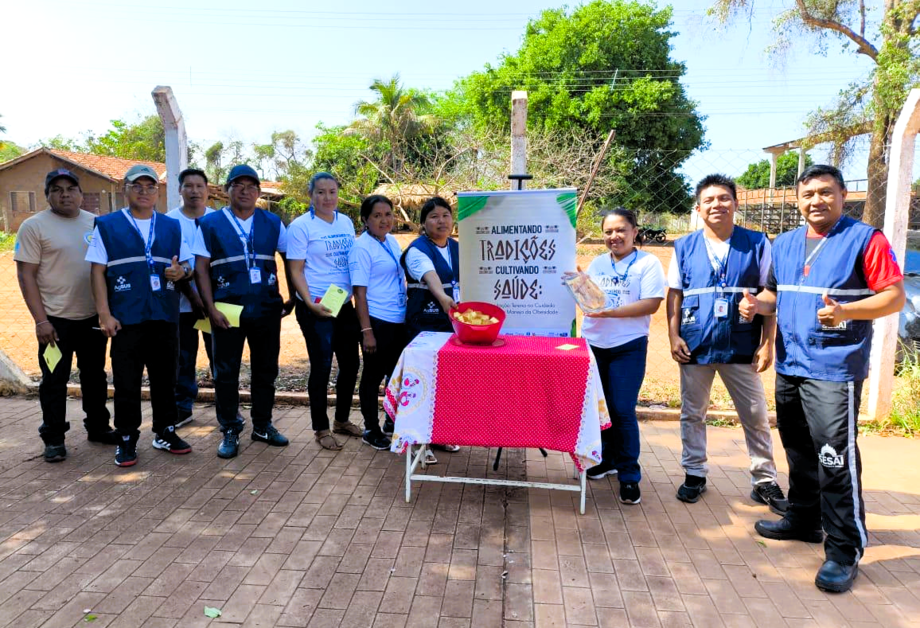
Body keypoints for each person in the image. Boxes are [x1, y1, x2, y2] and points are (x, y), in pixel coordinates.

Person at [740, 164, 905, 593]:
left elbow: (894, 296)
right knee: (797, 448)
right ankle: (803, 518)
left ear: (843, 194)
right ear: (798, 199)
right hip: (792, 365)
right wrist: (757, 306)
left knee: (835, 458)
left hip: (834, 367)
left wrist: (847, 311)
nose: (817, 200)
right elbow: (776, 294)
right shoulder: (787, 243)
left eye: (825, 192)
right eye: (808, 193)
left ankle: (844, 548)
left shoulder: (864, 239)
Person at [667, 174, 787, 514]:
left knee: (755, 414)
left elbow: (770, 294)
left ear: (735, 203)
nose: (716, 205)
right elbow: (675, 294)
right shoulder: (684, 246)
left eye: (723, 198)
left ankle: (763, 480)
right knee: (692, 413)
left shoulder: (758, 243)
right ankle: (694, 473)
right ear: (698, 207)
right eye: (709, 200)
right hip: (697, 342)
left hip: (741, 341)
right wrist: (674, 335)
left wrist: (768, 343)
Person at [86, 164, 193, 467]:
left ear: (157, 191)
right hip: (125, 318)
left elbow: (187, 267)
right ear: (126, 189)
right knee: (127, 382)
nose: (144, 192)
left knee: (165, 379)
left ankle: (165, 431)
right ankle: (127, 438)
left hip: (163, 315)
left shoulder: (172, 226)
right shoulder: (106, 225)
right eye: (138, 186)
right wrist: (104, 314)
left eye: (150, 187)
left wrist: (180, 271)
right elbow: (96, 272)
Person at [15, 169, 119, 462]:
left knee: (95, 377)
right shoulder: (33, 227)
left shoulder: (96, 223)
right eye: (57, 189)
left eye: (70, 189)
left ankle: (98, 427)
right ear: (47, 194)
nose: (64, 194)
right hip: (55, 323)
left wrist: (105, 312)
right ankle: (54, 438)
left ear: (80, 192)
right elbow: (26, 276)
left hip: (91, 319)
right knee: (54, 381)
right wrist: (41, 321)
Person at [194, 164, 294, 459]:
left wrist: (291, 296)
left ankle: (262, 425)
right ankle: (229, 428)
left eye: (252, 186)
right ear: (226, 190)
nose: (246, 191)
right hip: (227, 310)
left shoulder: (273, 222)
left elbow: (290, 259)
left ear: (259, 193)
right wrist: (209, 307)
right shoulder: (210, 224)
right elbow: (200, 268)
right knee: (226, 373)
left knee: (266, 370)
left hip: (265, 307)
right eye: (238, 185)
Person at [581, 208, 665, 505]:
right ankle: (606, 459)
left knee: (622, 408)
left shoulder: (648, 262)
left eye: (620, 230)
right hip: (593, 344)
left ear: (634, 231)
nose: (614, 237)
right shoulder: (597, 262)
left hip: (627, 345)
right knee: (598, 408)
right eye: (608, 232)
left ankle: (629, 475)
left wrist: (611, 313)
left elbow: (652, 304)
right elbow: (590, 300)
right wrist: (579, 283)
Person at [287, 172, 363, 451]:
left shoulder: (344, 221)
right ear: (311, 195)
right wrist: (308, 302)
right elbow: (295, 269)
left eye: (332, 191)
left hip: (342, 304)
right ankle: (321, 427)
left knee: (351, 364)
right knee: (321, 366)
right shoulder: (300, 227)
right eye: (321, 192)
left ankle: (342, 420)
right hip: (315, 305)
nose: (327, 197)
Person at [399, 196, 461, 461]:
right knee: (421, 382)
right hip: (424, 325)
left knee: (445, 382)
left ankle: (439, 435)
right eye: (434, 216)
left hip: (452, 325)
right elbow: (430, 275)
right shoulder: (417, 250)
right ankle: (416, 441)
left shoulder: (458, 248)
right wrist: (444, 298)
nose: (441, 221)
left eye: (445, 215)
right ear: (423, 223)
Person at [349, 195, 407, 451]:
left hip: (398, 319)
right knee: (372, 376)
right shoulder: (362, 248)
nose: (384, 220)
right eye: (377, 215)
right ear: (365, 220)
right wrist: (367, 331)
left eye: (388, 214)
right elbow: (359, 293)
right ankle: (370, 428)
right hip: (376, 320)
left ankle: (390, 423)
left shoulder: (392, 241)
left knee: (395, 375)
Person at [167, 168, 215, 427]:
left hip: (215, 306)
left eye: (199, 186)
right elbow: (172, 264)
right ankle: (183, 407)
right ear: (179, 190)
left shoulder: (219, 220)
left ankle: (227, 406)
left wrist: (207, 301)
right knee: (183, 357)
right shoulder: (169, 222)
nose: (194, 191)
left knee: (220, 356)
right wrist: (194, 297)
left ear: (207, 190)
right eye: (188, 186)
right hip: (183, 305)